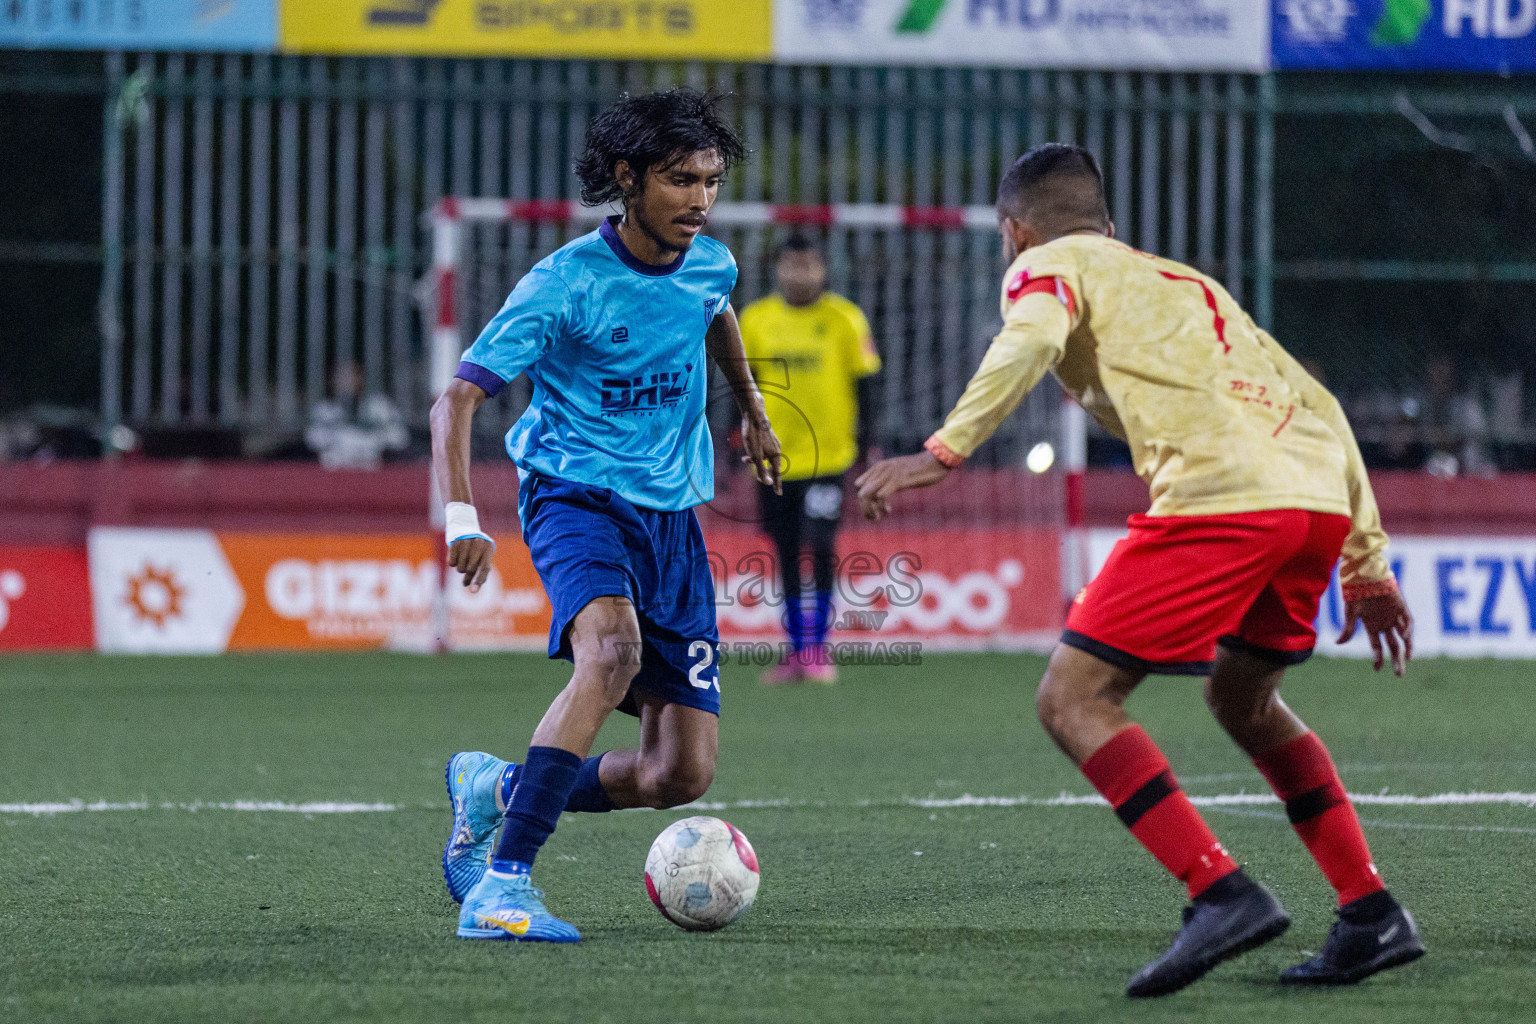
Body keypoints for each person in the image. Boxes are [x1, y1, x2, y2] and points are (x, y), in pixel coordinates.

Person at [856, 144, 1423, 997]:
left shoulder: (1046, 266)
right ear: (1112, 226)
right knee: (1244, 699)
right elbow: (1322, 404)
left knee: (1072, 696)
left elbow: (1035, 337)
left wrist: (945, 449)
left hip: (1222, 497)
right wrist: (1366, 560)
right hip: (1313, 501)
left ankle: (1219, 891)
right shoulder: (1190, 283)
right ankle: (1370, 910)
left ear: (1014, 233)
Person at [429, 89, 781, 943]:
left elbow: (715, 312)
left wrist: (752, 408)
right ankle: (502, 886)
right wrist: (460, 517)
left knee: (678, 774)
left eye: (711, 180)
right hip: (573, 494)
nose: (699, 199)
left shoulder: (712, 263)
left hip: (672, 518)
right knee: (612, 652)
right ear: (627, 179)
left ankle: (497, 790)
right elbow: (456, 400)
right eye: (678, 181)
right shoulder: (564, 285)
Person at [738, 236, 882, 685]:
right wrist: (731, 442)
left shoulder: (845, 318)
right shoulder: (756, 319)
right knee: (782, 550)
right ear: (779, 269)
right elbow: (740, 385)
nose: (801, 275)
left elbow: (868, 384)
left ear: (823, 269)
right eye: (792, 266)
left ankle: (817, 650)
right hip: (774, 458)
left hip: (828, 458)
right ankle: (794, 651)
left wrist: (870, 443)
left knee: (818, 546)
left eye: (809, 266)